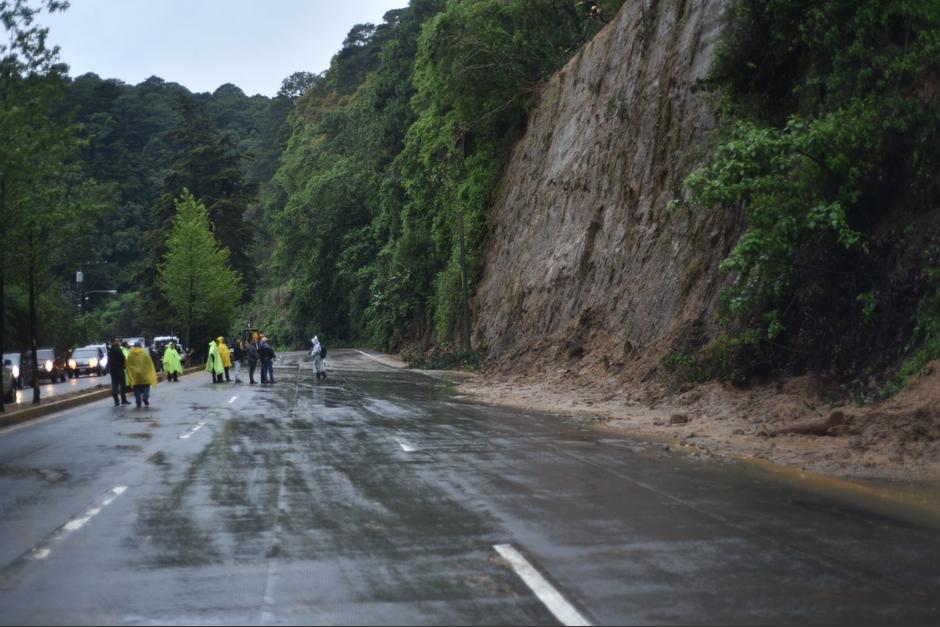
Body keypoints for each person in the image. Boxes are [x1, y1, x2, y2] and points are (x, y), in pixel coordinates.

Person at [126, 341, 157, 407]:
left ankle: (138, 401)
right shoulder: (144, 354)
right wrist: (151, 372)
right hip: (144, 374)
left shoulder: (130, 354)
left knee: (136, 388)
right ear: (140, 346)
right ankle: (145, 397)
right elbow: (149, 364)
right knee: (147, 386)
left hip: (135, 375)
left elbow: (128, 365)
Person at [108, 337, 130, 406]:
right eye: (117, 341)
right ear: (113, 342)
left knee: (114, 385)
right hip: (119, 369)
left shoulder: (110, 350)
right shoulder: (118, 349)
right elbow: (123, 357)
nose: (118, 342)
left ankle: (116, 401)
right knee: (122, 385)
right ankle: (123, 400)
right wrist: (123, 365)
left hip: (112, 370)